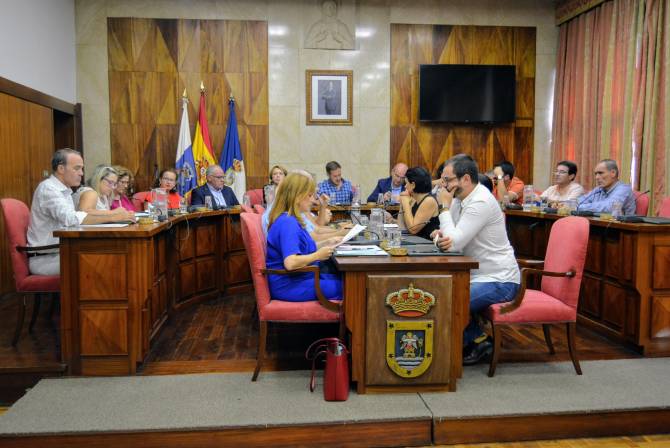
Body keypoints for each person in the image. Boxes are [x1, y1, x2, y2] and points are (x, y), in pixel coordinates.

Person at [434, 155, 520, 365]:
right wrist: (441, 236)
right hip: (476, 276)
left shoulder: (481, 201)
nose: (444, 186)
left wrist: (443, 207)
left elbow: (453, 242)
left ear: (465, 179)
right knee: (435, 293)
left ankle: (477, 341)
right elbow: (445, 236)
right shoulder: (459, 199)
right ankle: (473, 340)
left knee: (448, 300)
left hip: (499, 280)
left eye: (447, 180)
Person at [27, 149, 135, 276]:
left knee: (114, 256)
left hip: (62, 252)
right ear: (61, 168)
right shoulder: (49, 189)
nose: (81, 173)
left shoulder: (65, 190)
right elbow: (71, 219)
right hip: (46, 259)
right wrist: (113, 216)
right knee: (106, 263)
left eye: (82, 169)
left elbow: (74, 222)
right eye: (77, 168)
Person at [266, 172, 342, 302]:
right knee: (352, 286)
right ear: (297, 196)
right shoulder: (288, 223)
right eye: (310, 195)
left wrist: (326, 243)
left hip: (302, 277)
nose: (313, 200)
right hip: (291, 285)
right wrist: (317, 255)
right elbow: (290, 263)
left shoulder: (291, 219)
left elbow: (302, 248)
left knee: (347, 279)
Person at [398, 167, 440, 240]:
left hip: (427, 244)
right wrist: (402, 204)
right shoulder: (413, 199)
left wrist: (405, 203)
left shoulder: (429, 201)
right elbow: (402, 228)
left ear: (413, 185)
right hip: (414, 241)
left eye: (406, 183)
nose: (405, 186)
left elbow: (413, 229)